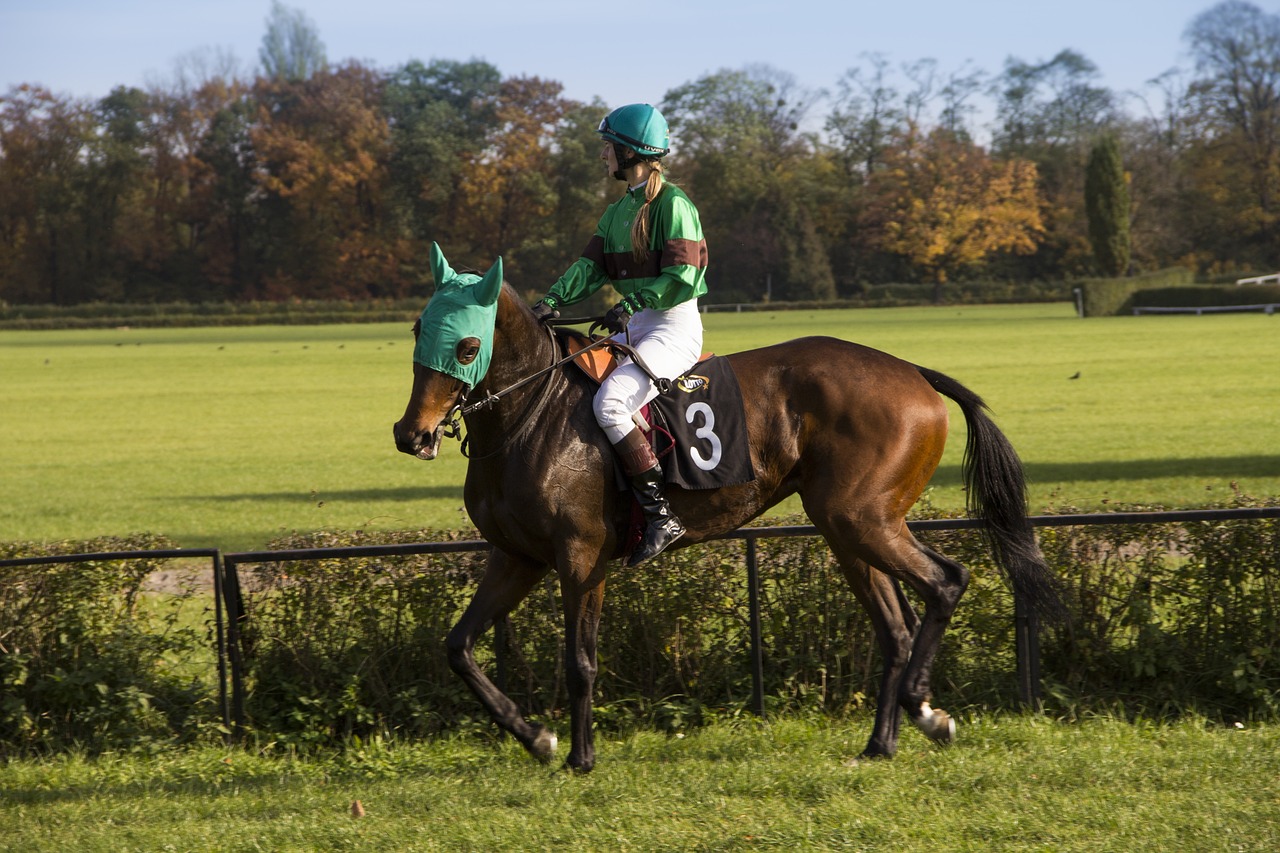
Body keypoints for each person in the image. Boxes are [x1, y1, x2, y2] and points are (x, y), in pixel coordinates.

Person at [531, 103, 708, 566]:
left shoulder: (674, 205)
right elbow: (590, 267)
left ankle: (661, 516)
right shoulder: (617, 211)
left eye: (608, 146)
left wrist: (632, 302)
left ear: (631, 152)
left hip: (673, 327)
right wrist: (552, 301)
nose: (603, 154)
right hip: (635, 326)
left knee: (610, 404)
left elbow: (683, 275)